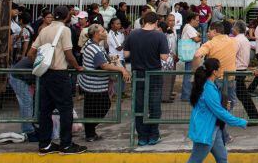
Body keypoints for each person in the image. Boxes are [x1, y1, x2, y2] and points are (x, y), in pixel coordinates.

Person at [168, 58, 251, 163]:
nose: (221, 71)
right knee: (193, 162)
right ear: (214, 71)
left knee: (222, 157)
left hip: (213, 129)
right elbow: (219, 112)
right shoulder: (208, 89)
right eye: (219, 68)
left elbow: (216, 108)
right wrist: (240, 122)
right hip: (206, 131)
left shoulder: (209, 85)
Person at [27, 5, 86, 155]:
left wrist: (41, 65)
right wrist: (77, 67)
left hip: (45, 74)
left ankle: (45, 144)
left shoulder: (45, 30)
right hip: (60, 74)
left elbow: (30, 53)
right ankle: (66, 144)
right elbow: (68, 53)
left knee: (45, 111)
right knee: (65, 110)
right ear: (67, 16)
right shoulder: (64, 30)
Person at [124, 12, 170, 146]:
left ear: (144, 21)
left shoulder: (133, 34)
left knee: (139, 105)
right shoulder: (160, 35)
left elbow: (126, 54)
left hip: (137, 73)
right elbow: (164, 57)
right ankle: (153, 135)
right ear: (156, 22)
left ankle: (142, 137)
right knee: (154, 105)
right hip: (154, 74)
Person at [79, 24, 131, 142]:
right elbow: (103, 65)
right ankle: (90, 131)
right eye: (103, 31)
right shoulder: (94, 48)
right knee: (102, 106)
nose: (105, 32)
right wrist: (121, 69)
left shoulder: (93, 45)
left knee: (91, 109)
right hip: (95, 85)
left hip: (91, 84)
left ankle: (90, 132)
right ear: (96, 34)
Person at [231, 20, 258, 121]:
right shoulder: (244, 39)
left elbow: (232, 54)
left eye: (233, 27)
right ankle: (254, 116)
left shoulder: (237, 40)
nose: (232, 29)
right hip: (242, 68)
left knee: (240, 94)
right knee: (241, 93)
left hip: (237, 69)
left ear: (237, 29)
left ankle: (254, 116)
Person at [179, 14, 202, 102]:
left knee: (189, 74)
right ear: (192, 20)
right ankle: (186, 95)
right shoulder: (189, 28)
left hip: (191, 54)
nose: (198, 22)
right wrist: (201, 37)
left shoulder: (189, 28)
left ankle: (187, 94)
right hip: (190, 55)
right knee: (188, 75)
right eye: (197, 20)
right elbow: (196, 39)